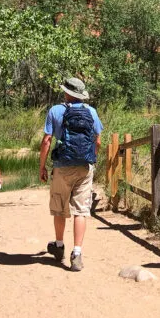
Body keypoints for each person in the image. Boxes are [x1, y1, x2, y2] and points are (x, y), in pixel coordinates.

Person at [39, 77, 103, 271]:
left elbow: (47, 141)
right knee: (81, 210)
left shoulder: (55, 110)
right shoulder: (91, 112)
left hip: (61, 165)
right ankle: (77, 253)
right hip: (84, 166)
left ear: (66, 92)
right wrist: (90, 158)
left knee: (59, 207)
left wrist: (42, 166)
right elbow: (98, 140)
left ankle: (59, 246)